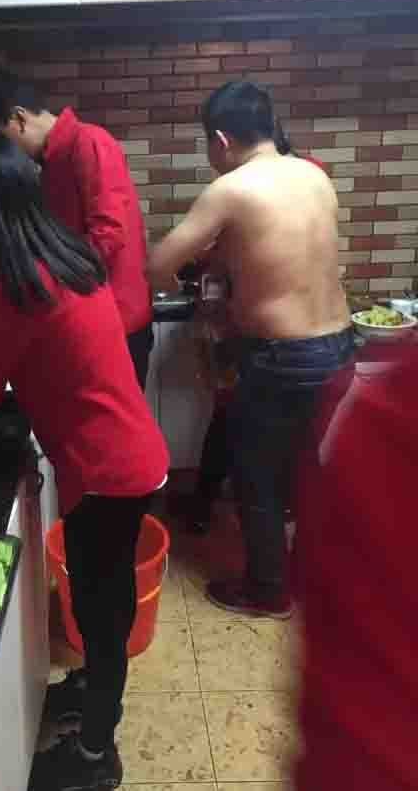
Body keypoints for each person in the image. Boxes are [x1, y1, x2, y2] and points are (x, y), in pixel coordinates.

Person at [0, 136, 168, 791]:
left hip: (103, 474)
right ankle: (90, 686)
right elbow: (40, 352)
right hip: (130, 456)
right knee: (103, 601)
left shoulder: (12, 293)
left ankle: (95, 756)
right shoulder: (67, 263)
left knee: (102, 613)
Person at [147, 81, 353, 619]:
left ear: (221, 139)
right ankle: (312, 575)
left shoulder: (232, 188)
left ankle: (268, 592)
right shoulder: (314, 175)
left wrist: (197, 292)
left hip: (281, 357)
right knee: (309, 471)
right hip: (339, 347)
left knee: (256, 478)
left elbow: (158, 265)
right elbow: (281, 252)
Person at [0, 69, 154, 388]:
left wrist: (43, 286)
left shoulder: (88, 143)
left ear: (19, 119)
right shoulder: (50, 163)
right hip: (85, 321)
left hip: (117, 323)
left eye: (0, 137)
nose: (2, 150)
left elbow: (108, 236)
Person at [294, 343, 418, 790]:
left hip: (360, 758)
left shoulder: (379, 413)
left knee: (259, 488)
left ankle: (262, 588)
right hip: (329, 345)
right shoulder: (380, 411)